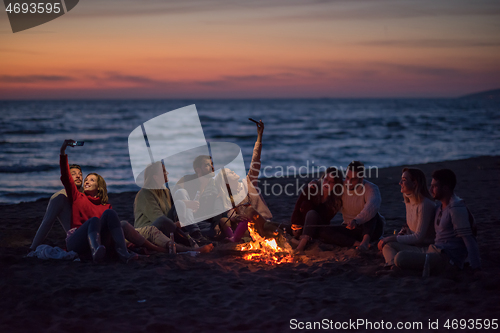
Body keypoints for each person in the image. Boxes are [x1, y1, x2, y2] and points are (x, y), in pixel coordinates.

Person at [60, 139, 140, 263]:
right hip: (77, 242)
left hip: (102, 243)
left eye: (92, 180)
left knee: (110, 214)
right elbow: (66, 176)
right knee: (94, 220)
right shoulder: (77, 196)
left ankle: (123, 252)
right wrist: (63, 151)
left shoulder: (106, 206)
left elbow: (112, 231)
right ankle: (95, 250)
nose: (86, 181)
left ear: (99, 186)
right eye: (86, 179)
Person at [393, 169, 481, 273]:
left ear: (445, 188)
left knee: (401, 257)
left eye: (434, 186)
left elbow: (470, 241)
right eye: (431, 185)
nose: (431, 190)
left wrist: (476, 268)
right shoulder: (439, 206)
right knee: (392, 245)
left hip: (447, 258)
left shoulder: (456, 209)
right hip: (433, 250)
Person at [210, 119, 273, 241]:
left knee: (249, 210)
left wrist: (259, 137)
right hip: (248, 230)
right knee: (223, 220)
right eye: (231, 173)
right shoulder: (229, 197)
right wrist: (235, 218)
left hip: (263, 223)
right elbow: (230, 214)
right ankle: (234, 238)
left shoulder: (249, 182)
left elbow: (256, 161)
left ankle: (234, 239)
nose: (235, 172)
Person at [134, 161, 214, 253]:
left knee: (181, 192)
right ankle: (192, 237)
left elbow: (175, 207)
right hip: (151, 230)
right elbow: (159, 219)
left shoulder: (164, 191)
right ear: (155, 177)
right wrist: (177, 221)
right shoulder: (145, 194)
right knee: (171, 213)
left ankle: (195, 233)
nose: (167, 173)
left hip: (168, 225)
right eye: (163, 171)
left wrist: (188, 205)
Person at [320, 161, 385, 250]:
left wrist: (356, 220)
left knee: (372, 214)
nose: (348, 182)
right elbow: (328, 183)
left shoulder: (371, 188)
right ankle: (357, 243)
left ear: (361, 179)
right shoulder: (341, 186)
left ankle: (365, 242)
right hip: (350, 228)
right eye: (347, 177)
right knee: (324, 231)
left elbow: (372, 206)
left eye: (353, 179)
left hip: (372, 230)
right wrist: (316, 183)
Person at [377, 168, 435, 267]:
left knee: (398, 254)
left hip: (425, 248)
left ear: (414, 183)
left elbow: (419, 238)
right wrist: (402, 232)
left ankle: (394, 265)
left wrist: (393, 238)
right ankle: (392, 265)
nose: (400, 183)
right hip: (413, 245)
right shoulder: (409, 201)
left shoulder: (425, 204)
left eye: (404, 180)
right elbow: (411, 225)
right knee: (387, 246)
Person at [29, 163, 84, 251]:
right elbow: (47, 223)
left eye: (80, 174)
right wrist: (33, 247)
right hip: (78, 237)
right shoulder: (60, 197)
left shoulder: (88, 192)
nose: (78, 176)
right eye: (73, 174)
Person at [290, 167, 343, 252]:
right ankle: (300, 238)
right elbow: (297, 207)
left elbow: (324, 218)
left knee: (312, 214)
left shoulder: (335, 200)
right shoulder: (312, 188)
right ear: (322, 179)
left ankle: (300, 246)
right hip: (301, 226)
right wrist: (295, 224)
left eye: (331, 182)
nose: (327, 183)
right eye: (326, 179)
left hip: (318, 229)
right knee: (276, 228)